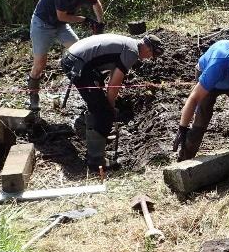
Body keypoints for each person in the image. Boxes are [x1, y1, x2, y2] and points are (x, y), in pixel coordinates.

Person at [61, 33, 163, 170]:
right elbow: (114, 84)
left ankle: (97, 139)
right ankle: (95, 160)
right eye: (151, 55)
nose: (149, 58)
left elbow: (112, 73)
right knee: (103, 111)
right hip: (77, 64)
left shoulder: (130, 44)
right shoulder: (132, 52)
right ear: (147, 48)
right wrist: (109, 108)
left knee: (98, 103)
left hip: (75, 59)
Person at [173, 40, 229, 169]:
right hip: (210, 80)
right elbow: (194, 98)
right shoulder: (217, 65)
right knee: (201, 119)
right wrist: (182, 128)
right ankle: (184, 162)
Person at [27, 0, 106, 111]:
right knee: (40, 63)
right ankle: (33, 95)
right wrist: (85, 20)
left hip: (60, 25)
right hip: (42, 25)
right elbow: (62, 16)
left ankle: (91, 90)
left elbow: (96, 3)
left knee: (80, 52)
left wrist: (100, 23)